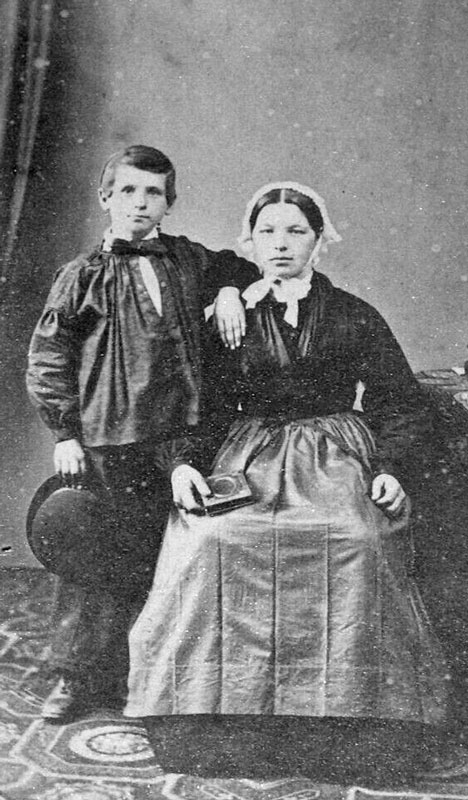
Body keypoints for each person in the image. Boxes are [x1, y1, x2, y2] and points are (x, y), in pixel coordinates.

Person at [124, 181, 450, 783]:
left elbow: (400, 402)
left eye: (296, 231)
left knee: (356, 538)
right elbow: (199, 402)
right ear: (249, 240)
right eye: (267, 231)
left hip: (333, 455)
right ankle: (213, 718)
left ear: (319, 241)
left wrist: (391, 469)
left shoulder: (354, 314)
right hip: (247, 454)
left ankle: (352, 723)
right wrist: (183, 463)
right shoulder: (231, 315)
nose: (281, 244)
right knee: (210, 541)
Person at [26, 145, 257, 723]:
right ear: (106, 197)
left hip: (182, 435)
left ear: (168, 203)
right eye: (127, 190)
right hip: (111, 436)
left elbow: (237, 265)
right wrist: (64, 432)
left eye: (153, 192)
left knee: (168, 556)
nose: (140, 202)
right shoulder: (82, 275)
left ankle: (153, 678)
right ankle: (77, 678)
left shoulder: (187, 259)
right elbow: (49, 355)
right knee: (98, 557)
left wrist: (229, 291)